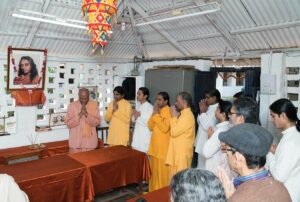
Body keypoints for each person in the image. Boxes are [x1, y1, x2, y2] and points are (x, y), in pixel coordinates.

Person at [216, 123, 291, 202]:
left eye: (227, 151)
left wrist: (230, 198)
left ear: (237, 157)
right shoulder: (281, 188)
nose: (226, 154)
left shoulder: (239, 197)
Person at [267, 98, 300, 202]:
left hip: (288, 195)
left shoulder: (290, 141)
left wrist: (269, 153)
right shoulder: (292, 136)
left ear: (283, 116)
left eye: (273, 116)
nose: (272, 120)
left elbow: (278, 177)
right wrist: (276, 152)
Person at [166, 92, 195, 177]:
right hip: (177, 153)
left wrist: (174, 117)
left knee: (180, 180)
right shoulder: (183, 115)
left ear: (184, 102)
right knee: (174, 179)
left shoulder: (188, 116)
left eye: (177, 101)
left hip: (182, 155)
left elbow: (174, 132)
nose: (175, 103)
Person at [148, 92, 171, 191]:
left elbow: (165, 128)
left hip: (163, 150)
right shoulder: (157, 111)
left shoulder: (169, 111)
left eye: (160, 99)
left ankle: (161, 195)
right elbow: (150, 126)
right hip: (154, 148)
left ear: (166, 101)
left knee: (162, 175)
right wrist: (154, 113)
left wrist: (156, 115)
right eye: (157, 99)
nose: (157, 101)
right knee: (153, 174)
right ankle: (152, 192)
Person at [65, 88, 100, 152]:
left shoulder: (94, 105)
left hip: (90, 143)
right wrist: (80, 115)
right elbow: (68, 124)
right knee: (75, 161)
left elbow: (97, 123)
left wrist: (87, 114)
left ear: (89, 96)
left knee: (90, 161)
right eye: (81, 98)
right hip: (75, 144)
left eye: (86, 98)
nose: (84, 100)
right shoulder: (72, 106)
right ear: (78, 96)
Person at [202, 100, 232, 175]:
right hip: (223, 169)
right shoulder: (228, 127)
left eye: (217, 109)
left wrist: (209, 138)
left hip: (215, 171)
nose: (215, 111)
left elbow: (206, 152)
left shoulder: (220, 130)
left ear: (223, 114)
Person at [195, 88, 221, 168]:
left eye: (208, 97)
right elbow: (199, 122)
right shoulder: (208, 107)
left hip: (206, 142)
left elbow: (206, 126)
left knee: (204, 168)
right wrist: (202, 111)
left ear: (215, 98)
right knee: (200, 167)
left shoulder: (217, 109)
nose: (205, 100)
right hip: (201, 142)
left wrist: (203, 112)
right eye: (205, 97)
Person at [131, 87, 153, 153]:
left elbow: (147, 122)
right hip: (137, 138)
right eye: (137, 94)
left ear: (145, 96)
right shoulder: (139, 106)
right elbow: (133, 119)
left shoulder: (150, 107)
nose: (137, 96)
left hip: (144, 138)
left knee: (144, 160)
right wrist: (135, 116)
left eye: (139, 94)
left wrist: (137, 117)